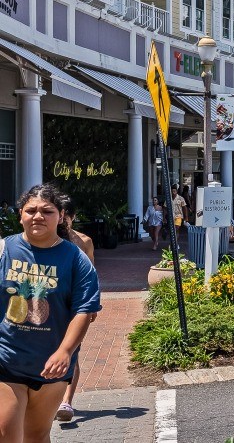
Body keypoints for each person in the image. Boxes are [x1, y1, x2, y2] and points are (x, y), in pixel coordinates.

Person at [0, 184, 101, 440]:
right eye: (30, 210)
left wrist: (65, 351)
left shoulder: (75, 258)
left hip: (51, 365)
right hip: (7, 358)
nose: (38, 216)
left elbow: (84, 309)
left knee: (36, 434)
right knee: (6, 432)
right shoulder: (4, 250)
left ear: (60, 215)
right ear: (20, 214)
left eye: (47, 211)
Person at [53, 197, 97, 423]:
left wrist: (92, 304)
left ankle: (66, 401)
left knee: (72, 351)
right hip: (50, 304)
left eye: (65, 217)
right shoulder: (46, 240)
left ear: (71, 217)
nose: (61, 221)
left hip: (75, 305)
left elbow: (92, 275)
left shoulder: (84, 241)